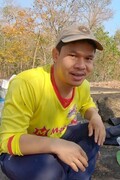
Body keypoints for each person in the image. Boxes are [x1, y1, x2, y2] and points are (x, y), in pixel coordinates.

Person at [0, 24, 106, 180]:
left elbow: (87, 105)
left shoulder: (82, 85)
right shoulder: (28, 83)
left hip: (55, 138)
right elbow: (8, 140)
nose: (81, 66)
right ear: (56, 55)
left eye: (88, 58)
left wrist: (95, 117)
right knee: (50, 171)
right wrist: (57, 146)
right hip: (19, 151)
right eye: (73, 55)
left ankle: (78, 176)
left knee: (95, 133)